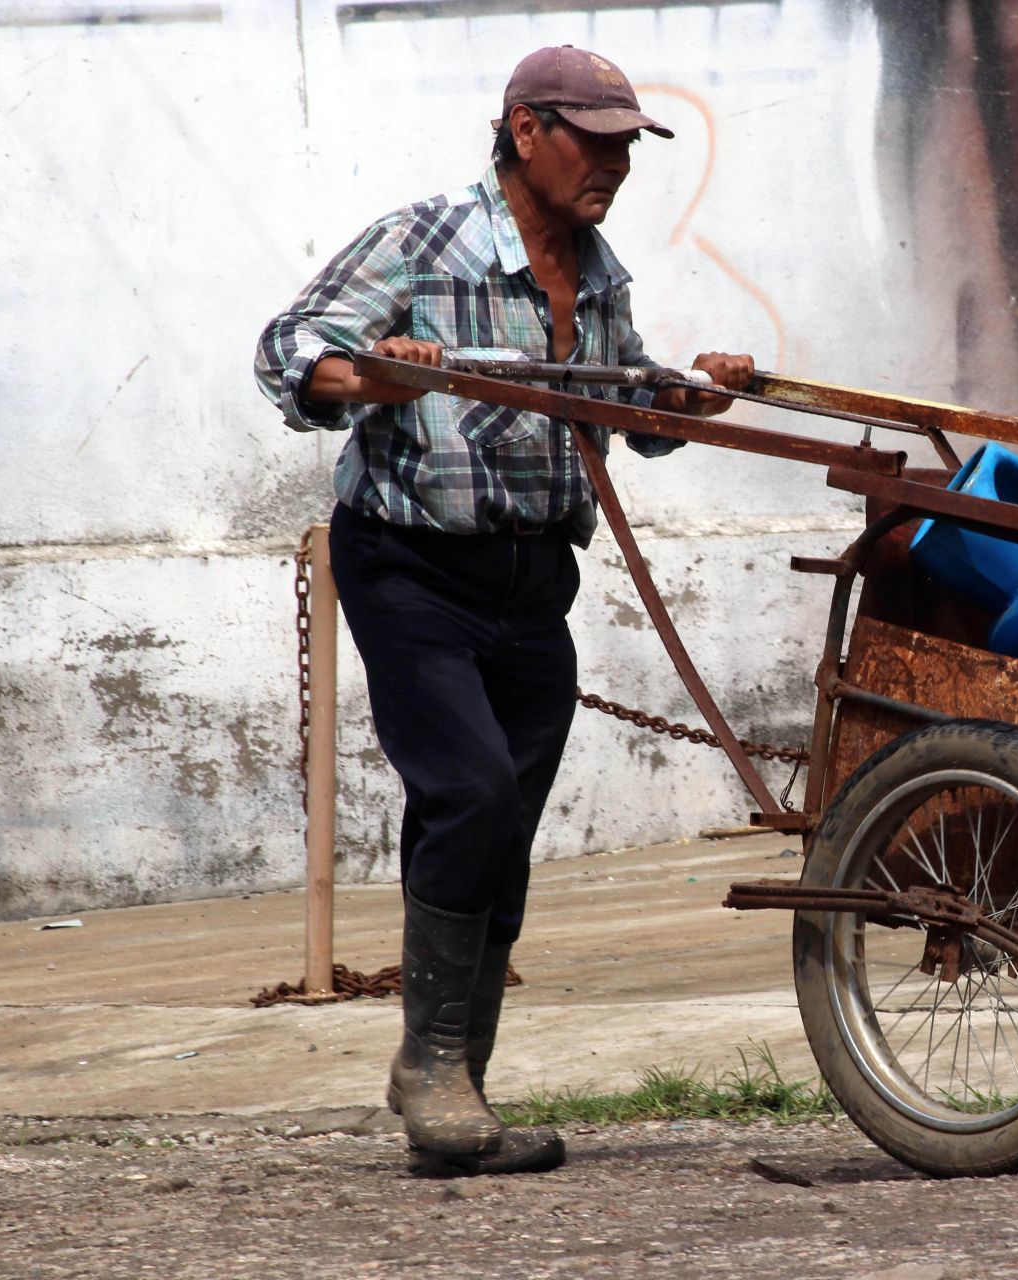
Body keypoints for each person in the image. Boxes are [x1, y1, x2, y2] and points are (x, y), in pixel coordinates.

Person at [255, 46, 754, 1176]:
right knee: (469, 787)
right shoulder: (425, 240)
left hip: (536, 583)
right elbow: (289, 348)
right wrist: (373, 376)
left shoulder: (598, 272)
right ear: (525, 130)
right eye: (595, 137)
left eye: (628, 142)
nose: (616, 164)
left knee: (505, 831)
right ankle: (430, 1066)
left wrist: (687, 398)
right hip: (413, 571)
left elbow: (621, 406)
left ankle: (456, 1084)